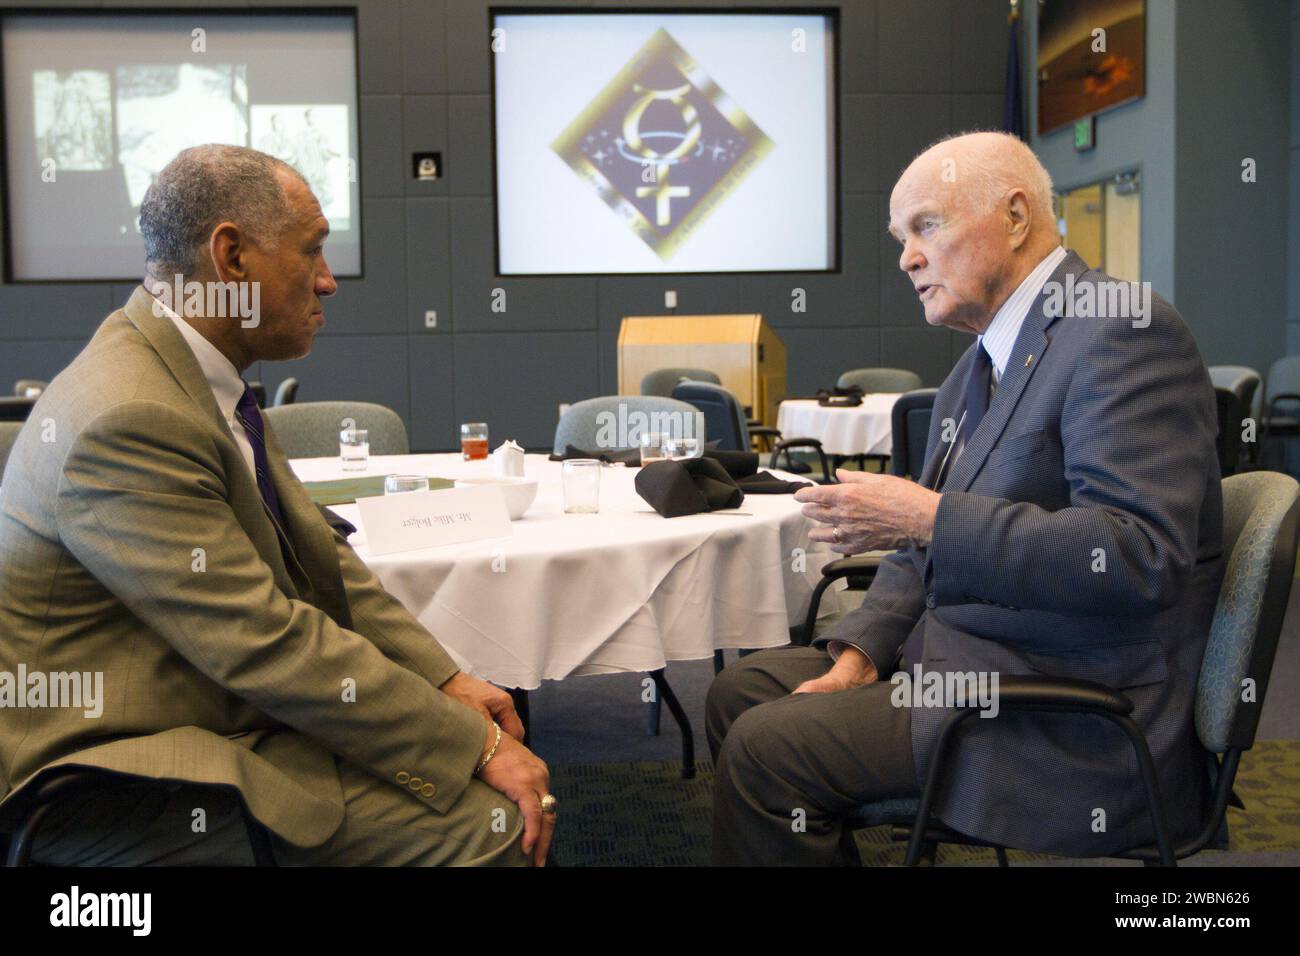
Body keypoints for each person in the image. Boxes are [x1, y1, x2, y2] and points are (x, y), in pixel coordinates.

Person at [0, 144, 555, 866]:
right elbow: (261, 641)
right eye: (313, 251)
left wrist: (443, 679)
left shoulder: (191, 376)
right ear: (230, 258)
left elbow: (320, 560)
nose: (328, 282)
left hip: (203, 707)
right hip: (110, 773)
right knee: (491, 831)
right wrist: (469, 744)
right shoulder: (130, 414)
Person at [706, 131, 1223, 866]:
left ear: (1015, 217)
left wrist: (927, 516)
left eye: (927, 225)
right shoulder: (978, 367)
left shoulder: (1120, 330)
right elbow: (924, 549)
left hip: (1070, 706)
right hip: (973, 659)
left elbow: (1139, 555)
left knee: (767, 750)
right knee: (743, 690)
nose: (907, 257)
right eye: (901, 236)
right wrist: (860, 651)